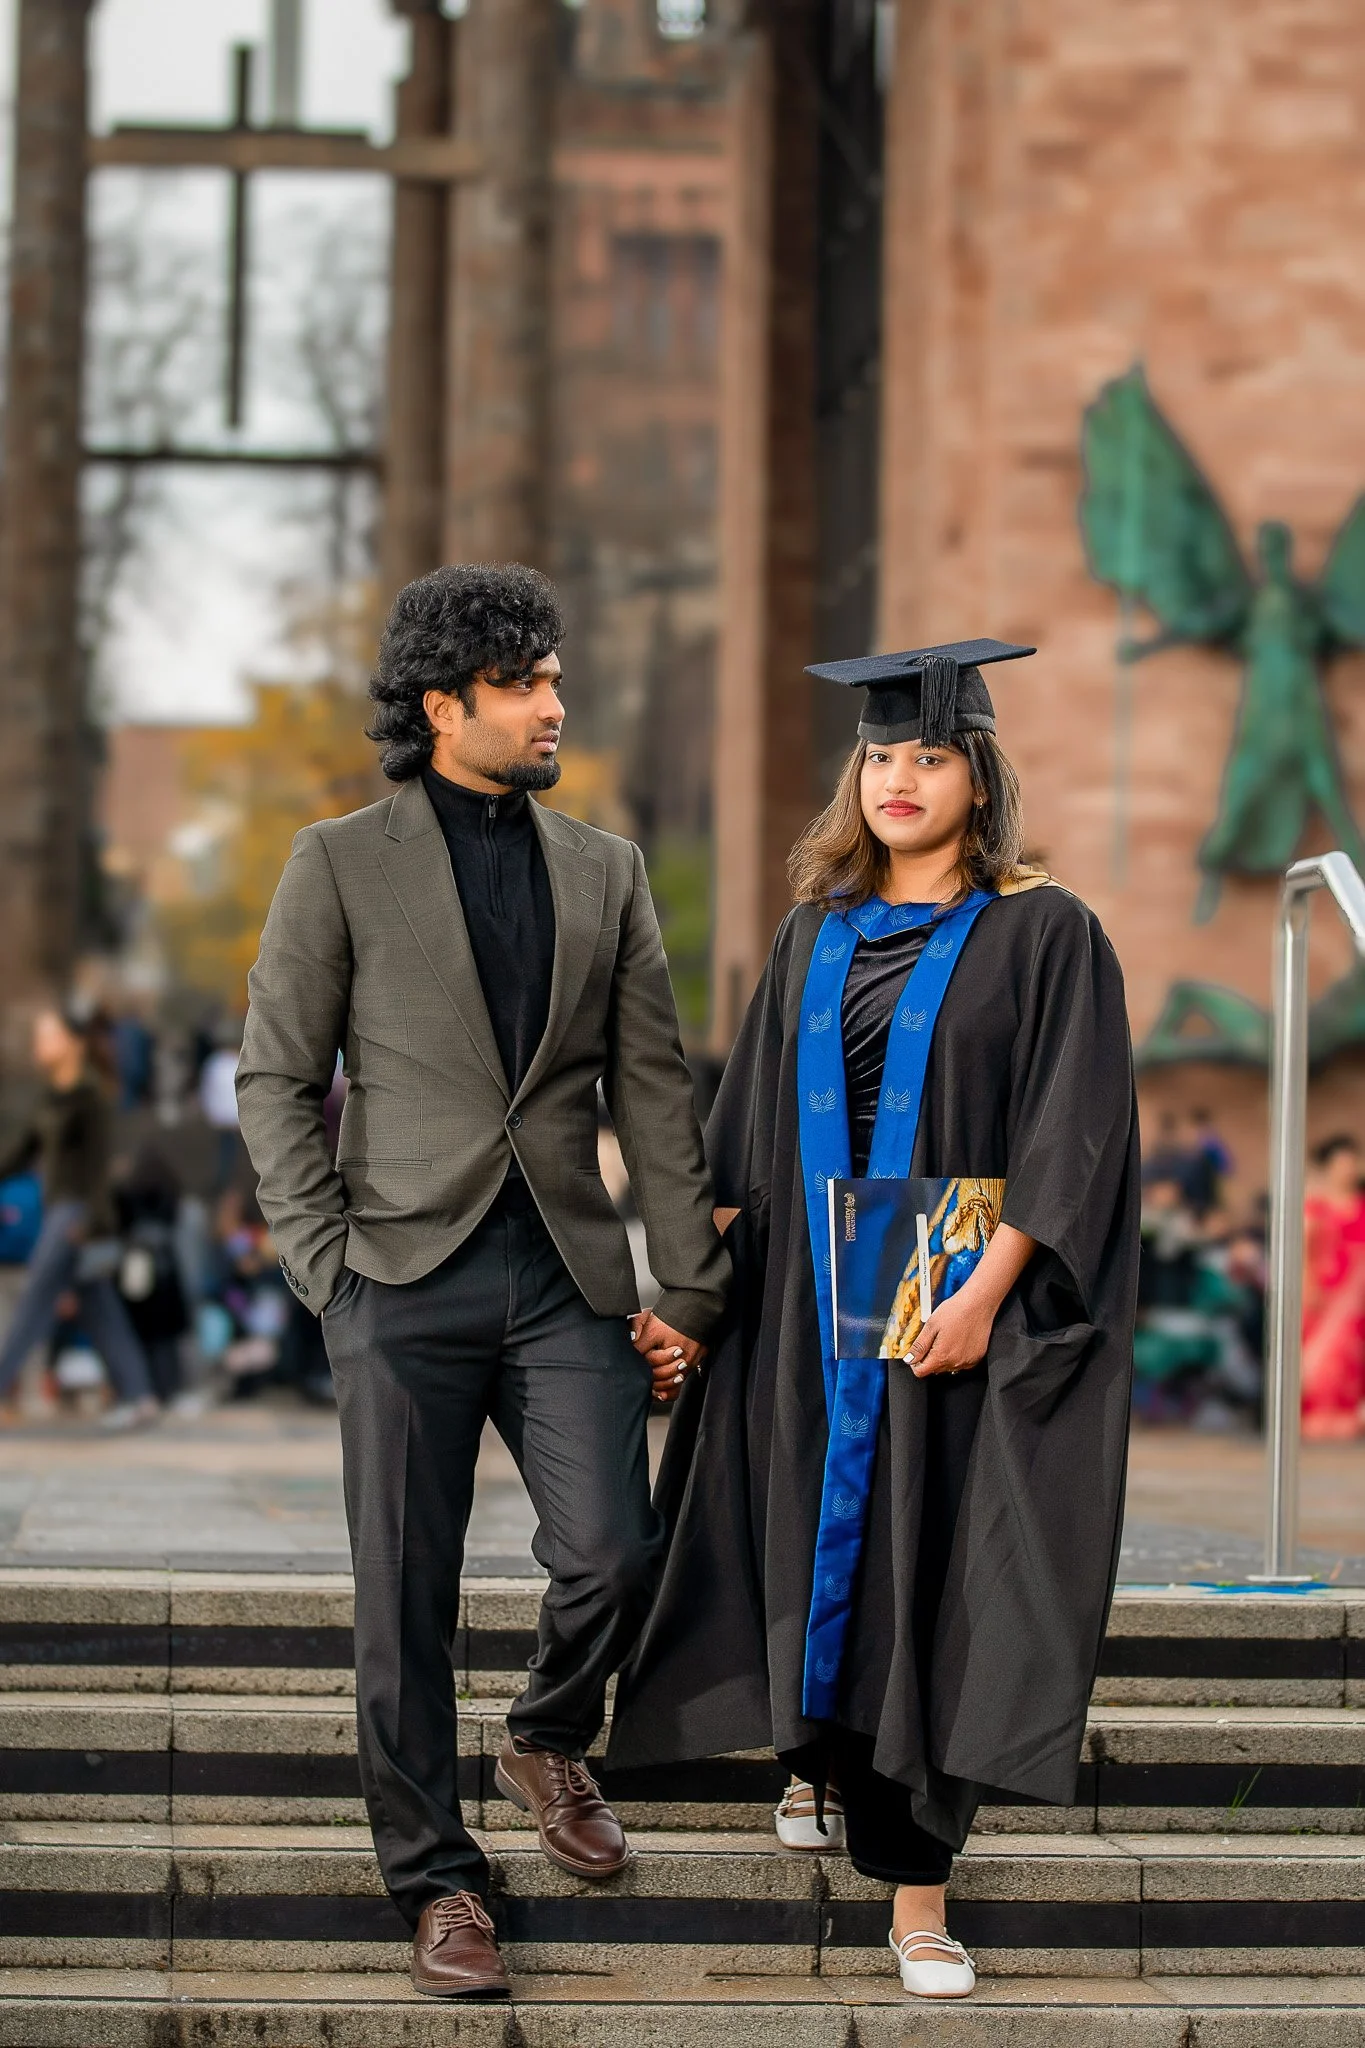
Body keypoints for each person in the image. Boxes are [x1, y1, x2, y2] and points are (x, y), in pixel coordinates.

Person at [608, 639, 1139, 2001]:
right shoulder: (812, 933)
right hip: (805, 1297)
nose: (900, 777)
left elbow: (1070, 1131)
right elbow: (738, 1154)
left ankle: (917, 1900)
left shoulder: (1046, 931)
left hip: (939, 1297)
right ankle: (813, 1753)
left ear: (980, 776)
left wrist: (982, 1291)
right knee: (800, 1530)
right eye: (882, 754)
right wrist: (686, 1306)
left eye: (931, 754)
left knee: (923, 1570)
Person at [236, 562, 729, 2001]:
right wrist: (326, 1266)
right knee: (405, 1591)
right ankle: (438, 1882)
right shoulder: (338, 860)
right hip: (397, 1270)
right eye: (523, 684)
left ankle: (545, 1733)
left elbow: (653, 1092)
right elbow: (279, 1075)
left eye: (552, 678)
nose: (552, 704)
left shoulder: (607, 870)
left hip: (563, 1269)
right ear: (442, 705)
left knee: (614, 1550)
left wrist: (685, 1289)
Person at [0, 1007, 159, 1430]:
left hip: (77, 1214)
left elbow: (97, 1170)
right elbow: (23, 1152)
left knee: (33, 1300)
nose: (39, 1045)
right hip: (60, 1210)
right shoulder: (52, 1095)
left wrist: (88, 1223)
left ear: (72, 1042)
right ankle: (139, 1395)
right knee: (100, 1309)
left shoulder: (91, 1096)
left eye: (46, 1035)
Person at [1301, 1133, 1365, 1439]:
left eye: (1352, 1163)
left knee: (1351, 1360)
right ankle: (1318, 1416)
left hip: (1356, 1297)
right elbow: (1304, 1249)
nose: (1349, 1170)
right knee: (1324, 1359)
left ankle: (1346, 1415)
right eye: (1342, 1163)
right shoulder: (1316, 1206)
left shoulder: (1360, 1206)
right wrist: (1308, 1286)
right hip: (1322, 1297)